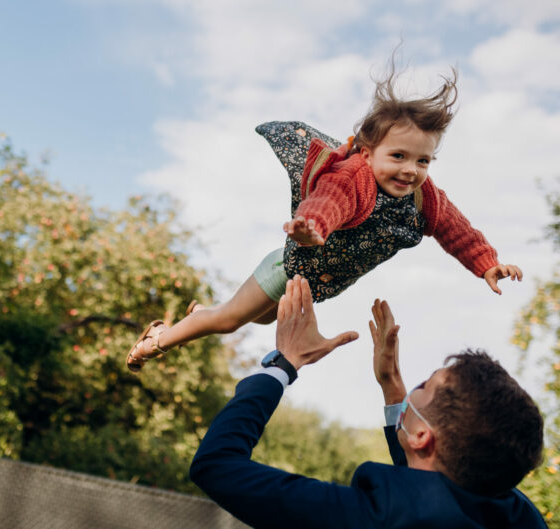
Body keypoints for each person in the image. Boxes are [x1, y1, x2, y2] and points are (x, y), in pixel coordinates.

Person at [126, 65, 523, 372]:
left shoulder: (424, 196)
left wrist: (487, 263)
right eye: (398, 156)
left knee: (262, 321)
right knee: (230, 321)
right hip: (288, 268)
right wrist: (312, 227)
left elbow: (458, 229)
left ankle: (204, 314)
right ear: (367, 152)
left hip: (314, 286)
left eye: (422, 160)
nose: (410, 170)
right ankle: (157, 340)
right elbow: (328, 201)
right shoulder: (353, 176)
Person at [190, 275, 547, 529]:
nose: (413, 389)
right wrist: (392, 386)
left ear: (423, 436)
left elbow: (216, 466)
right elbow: (433, 489)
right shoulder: (519, 515)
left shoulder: (379, 515)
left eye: (424, 385)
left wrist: (284, 363)